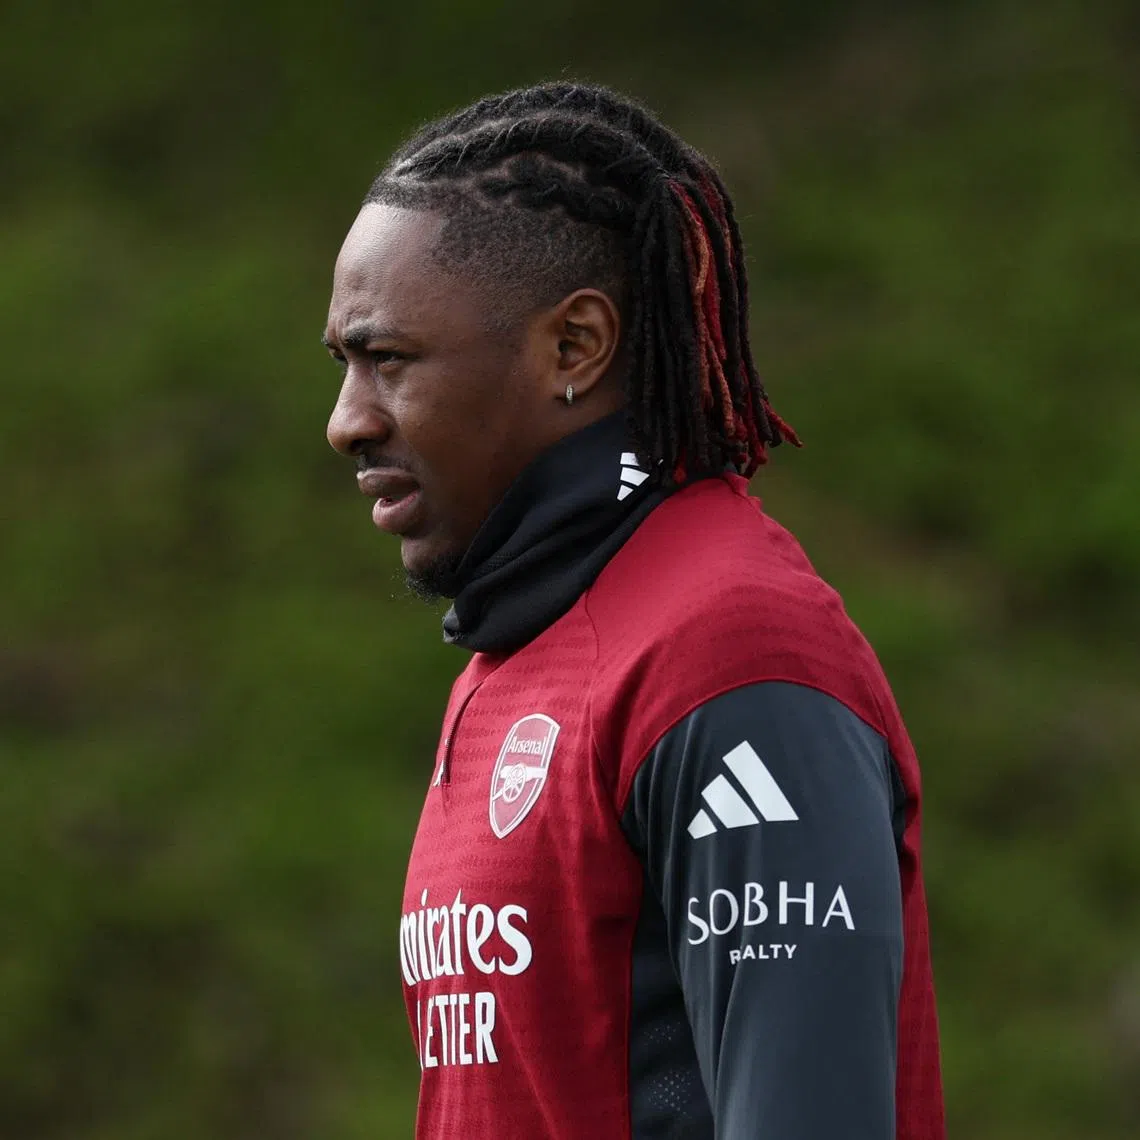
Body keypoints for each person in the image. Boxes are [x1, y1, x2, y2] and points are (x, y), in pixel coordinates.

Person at [324, 82, 945, 1140]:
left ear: (574, 348)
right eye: (343, 365)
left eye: (388, 361)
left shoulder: (734, 656)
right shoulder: (515, 658)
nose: (346, 423)